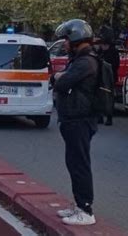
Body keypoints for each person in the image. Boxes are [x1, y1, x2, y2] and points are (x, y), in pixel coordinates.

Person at [51, 19, 98, 226]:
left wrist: (60, 77)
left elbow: (62, 82)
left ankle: (86, 210)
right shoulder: (80, 60)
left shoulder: (85, 62)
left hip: (80, 120)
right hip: (73, 120)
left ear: (76, 38)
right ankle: (78, 205)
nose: (65, 43)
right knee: (74, 163)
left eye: (66, 39)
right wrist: (61, 77)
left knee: (79, 165)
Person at [95, 25, 119, 126]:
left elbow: (115, 65)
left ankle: (109, 117)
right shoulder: (100, 51)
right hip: (99, 76)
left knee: (108, 97)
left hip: (109, 78)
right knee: (99, 97)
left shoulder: (113, 51)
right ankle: (100, 116)